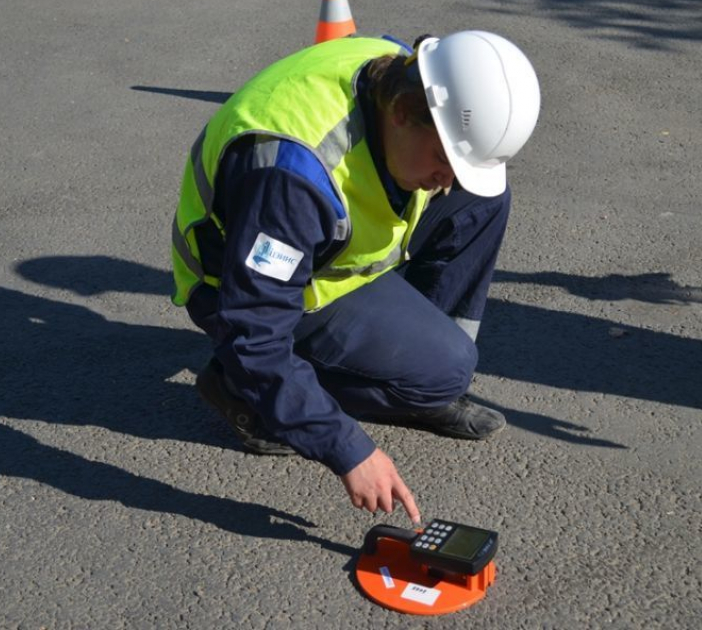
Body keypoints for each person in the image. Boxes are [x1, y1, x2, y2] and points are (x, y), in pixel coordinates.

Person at [170, 31, 540, 524]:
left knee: (483, 200)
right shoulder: (292, 177)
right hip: (242, 288)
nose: (446, 179)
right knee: (446, 367)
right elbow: (253, 332)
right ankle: (240, 388)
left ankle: (423, 376)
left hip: (321, 249)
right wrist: (347, 448)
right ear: (404, 112)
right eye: (444, 160)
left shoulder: (396, 70)